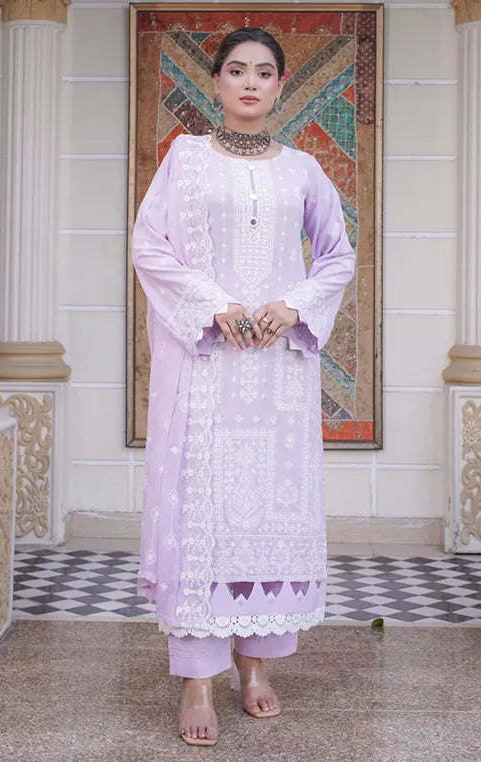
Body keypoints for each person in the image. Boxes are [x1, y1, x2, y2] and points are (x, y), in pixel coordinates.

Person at [131, 27, 356, 746]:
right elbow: (149, 246)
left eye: (263, 71)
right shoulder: (186, 160)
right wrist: (215, 307)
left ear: (281, 85)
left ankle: (255, 666)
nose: (250, 82)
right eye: (237, 70)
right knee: (203, 512)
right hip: (207, 367)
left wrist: (292, 306)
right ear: (217, 82)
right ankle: (198, 679)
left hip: (277, 373)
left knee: (266, 515)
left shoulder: (303, 171)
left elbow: (337, 256)